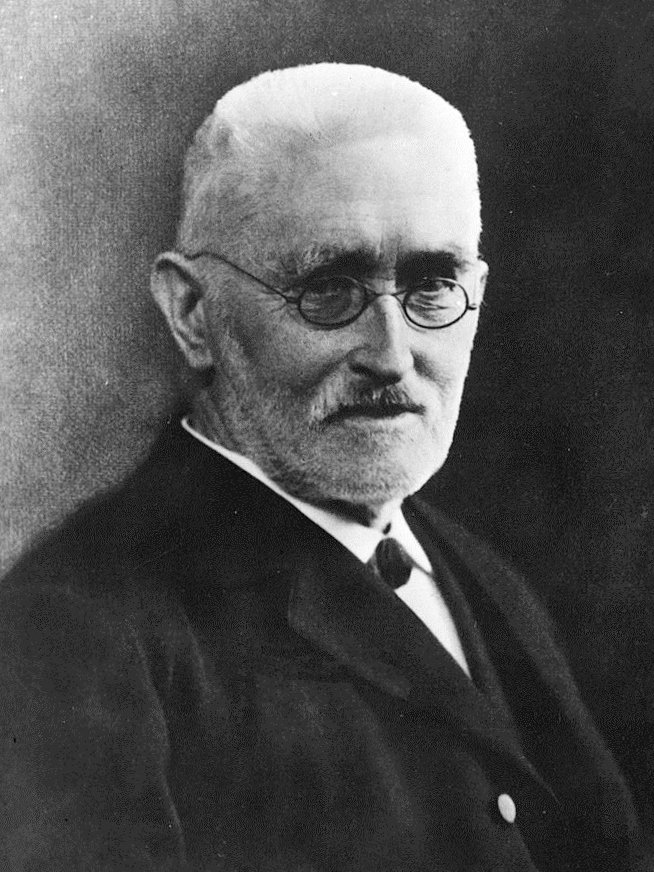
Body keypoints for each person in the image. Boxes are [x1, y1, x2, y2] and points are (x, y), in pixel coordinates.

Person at [0, 63, 649, 872]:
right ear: (192, 313)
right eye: (328, 289)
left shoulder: (488, 581)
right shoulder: (77, 628)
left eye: (433, 286)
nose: (392, 355)